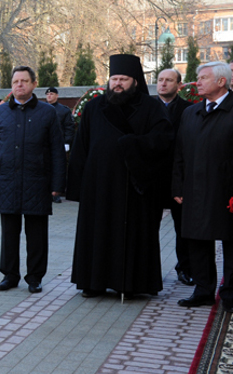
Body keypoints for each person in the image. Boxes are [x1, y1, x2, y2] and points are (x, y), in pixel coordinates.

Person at [67, 54, 172, 298]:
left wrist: (134, 144)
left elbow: (164, 141)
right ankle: (92, 282)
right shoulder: (95, 107)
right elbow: (81, 147)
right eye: (114, 78)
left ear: (135, 81)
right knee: (97, 234)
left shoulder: (152, 107)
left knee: (133, 236)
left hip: (135, 187)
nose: (117, 83)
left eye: (123, 79)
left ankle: (133, 284)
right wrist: (77, 187)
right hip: (98, 187)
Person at [0, 66, 66, 294]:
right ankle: (9, 276)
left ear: (33, 84)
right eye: (16, 81)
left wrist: (58, 186)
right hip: (7, 182)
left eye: (24, 81)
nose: (19, 85)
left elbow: (57, 151)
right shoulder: (0, 113)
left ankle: (35, 277)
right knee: (9, 234)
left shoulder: (47, 112)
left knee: (36, 234)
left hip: (37, 182)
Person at [173, 62, 233, 309]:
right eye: (198, 77)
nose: (197, 82)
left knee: (231, 243)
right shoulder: (190, 113)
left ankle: (230, 293)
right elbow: (179, 152)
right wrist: (177, 186)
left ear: (221, 82)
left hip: (227, 191)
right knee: (197, 241)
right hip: (195, 190)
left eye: (203, 78)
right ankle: (203, 290)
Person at [156, 69, 194, 286]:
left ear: (179, 85)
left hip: (179, 178)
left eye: (169, 80)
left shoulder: (189, 110)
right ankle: (149, 269)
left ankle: (185, 268)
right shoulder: (146, 107)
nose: (163, 84)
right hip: (152, 179)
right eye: (160, 80)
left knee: (183, 227)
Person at [44, 86, 75, 203]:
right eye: (47, 94)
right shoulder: (40, 108)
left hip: (58, 144)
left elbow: (69, 127)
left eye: (52, 94)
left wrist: (67, 142)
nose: (49, 96)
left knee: (57, 168)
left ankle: (56, 192)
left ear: (57, 96)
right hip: (44, 145)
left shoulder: (64, 110)